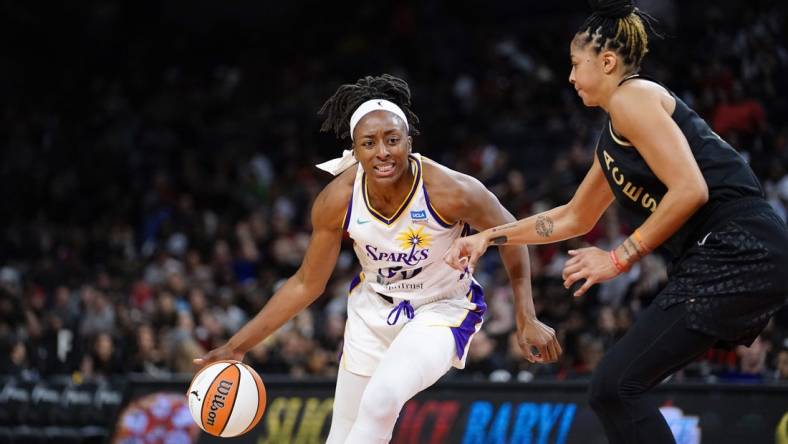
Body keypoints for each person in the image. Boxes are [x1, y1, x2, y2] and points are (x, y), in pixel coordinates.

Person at [444, 1, 788, 442]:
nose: (569, 76)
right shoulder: (614, 136)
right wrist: (488, 236)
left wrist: (619, 257)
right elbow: (573, 217)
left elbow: (691, 190)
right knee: (616, 387)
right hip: (728, 253)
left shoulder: (633, 96)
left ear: (606, 62)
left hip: (737, 246)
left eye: (575, 64)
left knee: (616, 387)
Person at [194, 74, 561, 443]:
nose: (382, 152)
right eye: (369, 143)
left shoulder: (452, 189)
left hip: (442, 309)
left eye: (392, 140)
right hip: (371, 313)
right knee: (344, 436)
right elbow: (307, 283)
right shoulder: (336, 199)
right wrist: (237, 345)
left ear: (409, 142)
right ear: (355, 151)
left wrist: (525, 315)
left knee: (381, 401)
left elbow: (513, 235)